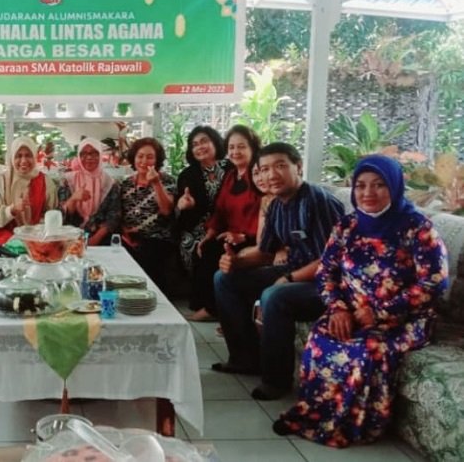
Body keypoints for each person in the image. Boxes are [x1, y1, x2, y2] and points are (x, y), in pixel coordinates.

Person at [274, 155, 448, 447]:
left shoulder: (418, 228)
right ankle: (314, 414)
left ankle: (354, 426)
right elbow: (326, 272)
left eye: (379, 185)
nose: (368, 193)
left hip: (404, 319)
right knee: (321, 336)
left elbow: (434, 282)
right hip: (352, 312)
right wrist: (338, 308)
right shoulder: (348, 226)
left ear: (394, 186)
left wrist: (380, 312)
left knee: (367, 349)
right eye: (361, 185)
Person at [211, 142, 345, 401]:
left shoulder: (318, 201)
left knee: (274, 296)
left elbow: (330, 260)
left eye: (280, 166)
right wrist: (235, 262)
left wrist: (289, 278)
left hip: (330, 284)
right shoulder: (276, 205)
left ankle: (276, 381)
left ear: (298, 167)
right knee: (225, 279)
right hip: (294, 270)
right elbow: (265, 253)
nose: (271, 175)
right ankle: (244, 359)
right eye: (264, 169)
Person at [189, 125, 262, 321]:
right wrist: (209, 234)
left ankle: (216, 311)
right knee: (205, 248)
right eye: (232, 147)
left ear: (252, 148)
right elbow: (220, 209)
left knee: (216, 253)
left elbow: (263, 211)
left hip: (253, 237)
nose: (235, 152)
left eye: (241, 147)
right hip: (230, 234)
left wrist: (243, 236)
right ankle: (209, 307)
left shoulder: (258, 175)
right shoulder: (231, 175)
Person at [119, 137, 176, 295]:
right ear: (134, 158)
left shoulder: (167, 181)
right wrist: (125, 232)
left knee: (149, 254)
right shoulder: (126, 183)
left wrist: (156, 184)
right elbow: (119, 213)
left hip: (157, 237)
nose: (144, 161)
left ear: (157, 160)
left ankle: (156, 300)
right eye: (140, 156)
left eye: (150, 157)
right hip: (128, 237)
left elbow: (167, 210)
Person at [174, 126, 230, 275]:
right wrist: (184, 205)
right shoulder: (187, 175)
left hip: (227, 225)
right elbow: (179, 206)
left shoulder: (231, 169)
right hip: (196, 227)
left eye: (204, 141)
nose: (200, 147)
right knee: (191, 244)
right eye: (195, 144)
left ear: (215, 142)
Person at [0, 136, 58, 245]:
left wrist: (34, 231)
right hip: (6, 235)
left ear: (34, 156)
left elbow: (51, 215)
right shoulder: (3, 180)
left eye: (28, 155)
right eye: (18, 156)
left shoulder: (45, 181)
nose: (23, 161)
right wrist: (12, 209)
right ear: (12, 158)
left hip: (37, 235)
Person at [58, 138, 121, 246]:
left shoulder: (110, 183)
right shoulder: (68, 181)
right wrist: (73, 198)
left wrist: (94, 240)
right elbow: (61, 216)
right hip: (70, 240)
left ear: (100, 155)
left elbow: (114, 216)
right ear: (78, 156)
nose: (89, 157)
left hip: (101, 241)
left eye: (94, 153)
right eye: (83, 154)